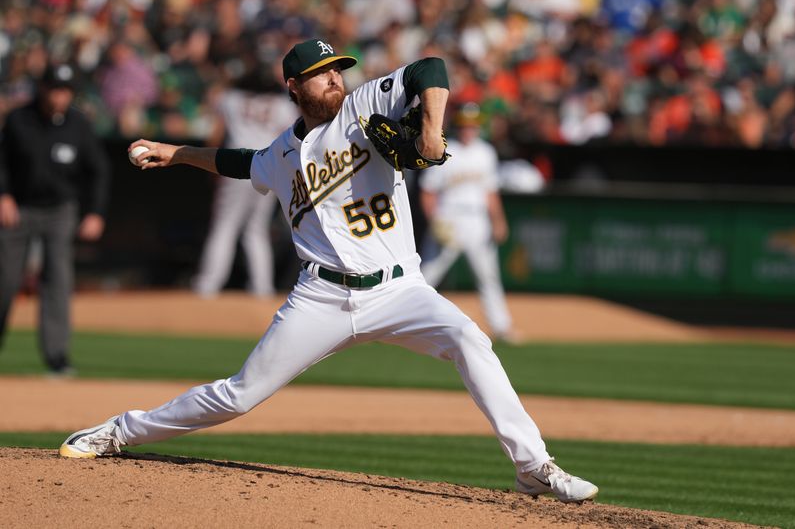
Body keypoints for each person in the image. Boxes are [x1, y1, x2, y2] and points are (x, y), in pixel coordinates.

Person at [58, 39, 598, 503]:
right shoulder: (279, 154)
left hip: (401, 289)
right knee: (238, 395)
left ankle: (533, 466)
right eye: (322, 74)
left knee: (469, 338)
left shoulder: (363, 105)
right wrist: (175, 152)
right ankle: (117, 430)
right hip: (321, 298)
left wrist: (431, 128)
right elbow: (237, 162)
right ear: (294, 86)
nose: (335, 79)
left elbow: (429, 68)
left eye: (338, 69)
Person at [0, 63, 111, 376]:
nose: (59, 96)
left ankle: (57, 356)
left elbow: (98, 170)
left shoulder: (78, 124)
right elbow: (2, 162)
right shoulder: (19, 119)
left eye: (65, 91)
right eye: (54, 89)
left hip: (60, 210)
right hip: (19, 208)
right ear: (43, 88)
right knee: (5, 281)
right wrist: (3, 194)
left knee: (57, 282)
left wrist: (95, 212)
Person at [191, 69, 298, 298]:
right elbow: (291, 140)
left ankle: (207, 285)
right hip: (268, 167)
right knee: (256, 230)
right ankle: (262, 288)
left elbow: (215, 136)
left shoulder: (231, 99)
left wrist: (213, 170)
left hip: (235, 166)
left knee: (225, 226)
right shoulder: (282, 104)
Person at [419, 103, 516, 342]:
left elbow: (490, 192)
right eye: (465, 124)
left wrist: (498, 221)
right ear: (458, 125)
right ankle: (397, 322)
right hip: (449, 217)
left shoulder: (486, 152)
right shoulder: (444, 148)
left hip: (477, 219)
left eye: (473, 124)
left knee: (488, 276)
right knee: (427, 275)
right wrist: (435, 221)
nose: (469, 129)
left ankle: (501, 327)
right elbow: (427, 191)